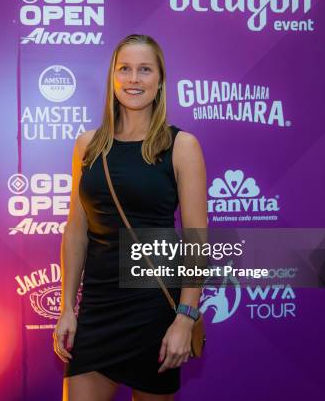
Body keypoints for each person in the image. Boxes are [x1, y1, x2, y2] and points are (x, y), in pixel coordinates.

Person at [53, 34, 208, 401]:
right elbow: (76, 231)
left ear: (160, 81)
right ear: (112, 77)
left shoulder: (181, 146)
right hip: (98, 308)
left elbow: (196, 239)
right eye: (125, 69)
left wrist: (185, 317)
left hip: (153, 306)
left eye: (144, 70)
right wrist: (66, 309)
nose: (134, 78)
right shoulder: (87, 145)